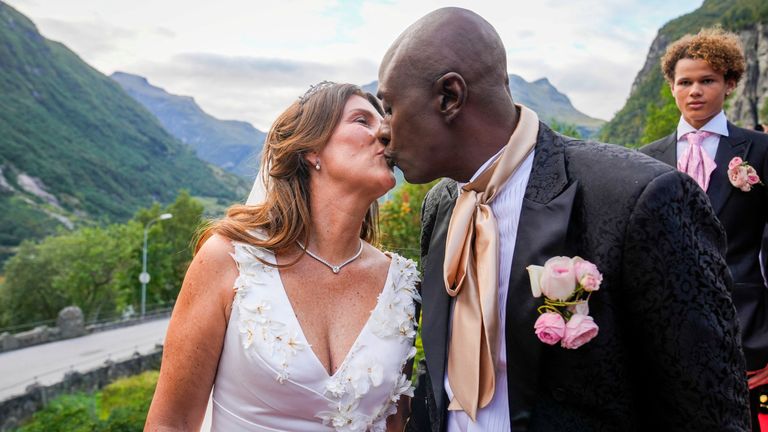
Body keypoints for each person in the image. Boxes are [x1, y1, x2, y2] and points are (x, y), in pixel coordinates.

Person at [375, 8, 750, 431]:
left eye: (388, 107)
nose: (382, 130)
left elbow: (709, 411)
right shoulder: (441, 205)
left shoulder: (639, 197)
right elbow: (440, 381)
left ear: (449, 97)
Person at [145, 82, 420, 431]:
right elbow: (172, 422)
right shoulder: (230, 259)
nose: (384, 132)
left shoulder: (401, 285)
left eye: (383, 122)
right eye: (362, 120)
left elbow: (395, 422)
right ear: (312, 151)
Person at [639, 28, 768, 431]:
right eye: (685, 82)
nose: (695, 90)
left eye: (707, 80)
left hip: (747, 331)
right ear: (672, 88)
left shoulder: (760, 151)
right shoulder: (645, 159)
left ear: (730, 83)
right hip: (664, 333)